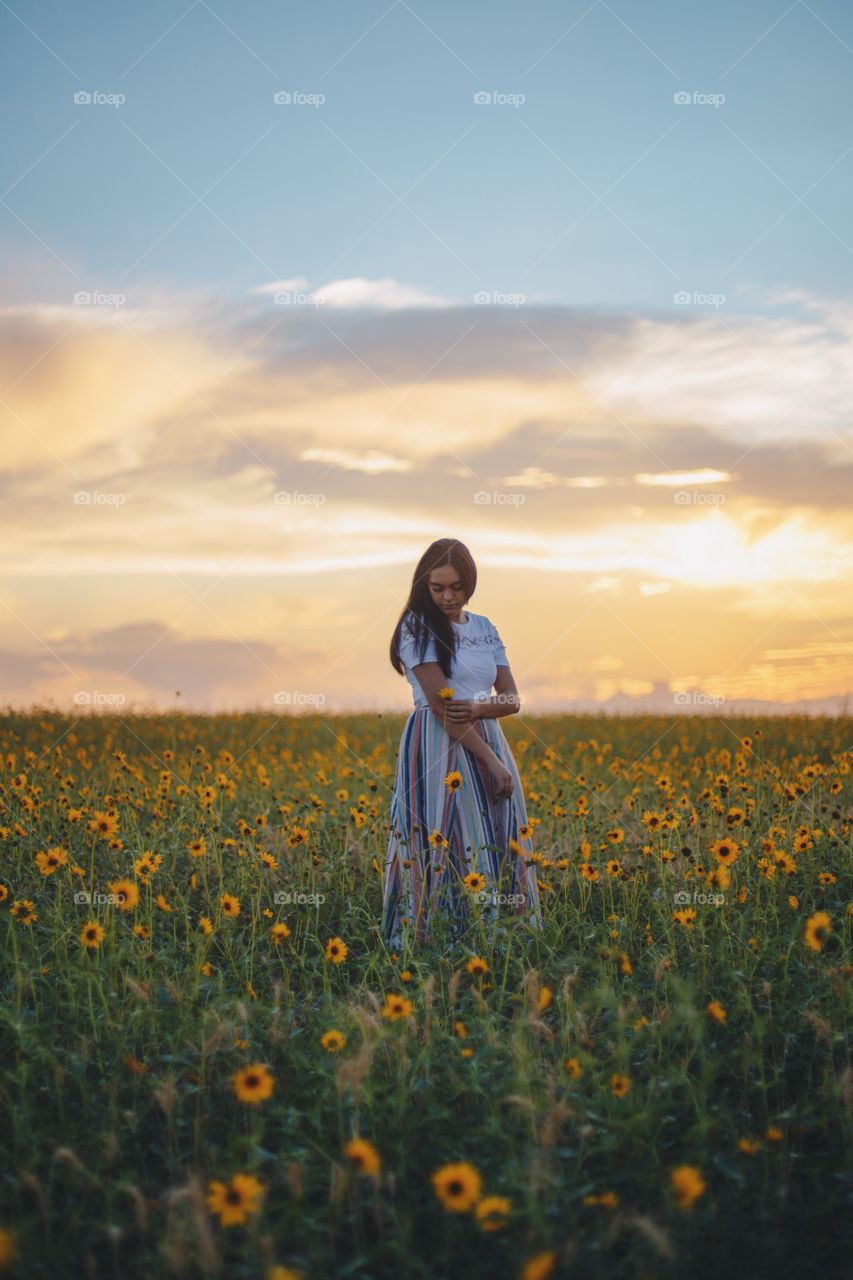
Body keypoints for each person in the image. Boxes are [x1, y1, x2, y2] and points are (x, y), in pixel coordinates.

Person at [382, 537, 542, 950]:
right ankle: (437, 941)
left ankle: (500, 940)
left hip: (486, 735)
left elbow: (513, 700)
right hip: (436, 743)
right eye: (438, 589)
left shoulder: (485, 627)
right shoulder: (416, 628)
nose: (448, 597)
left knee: (495, 834)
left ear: (470, 584)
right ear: (424, 586)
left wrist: (477, 710)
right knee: (446, 834)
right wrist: (493, 761)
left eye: (456, 587)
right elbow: (441, 708)